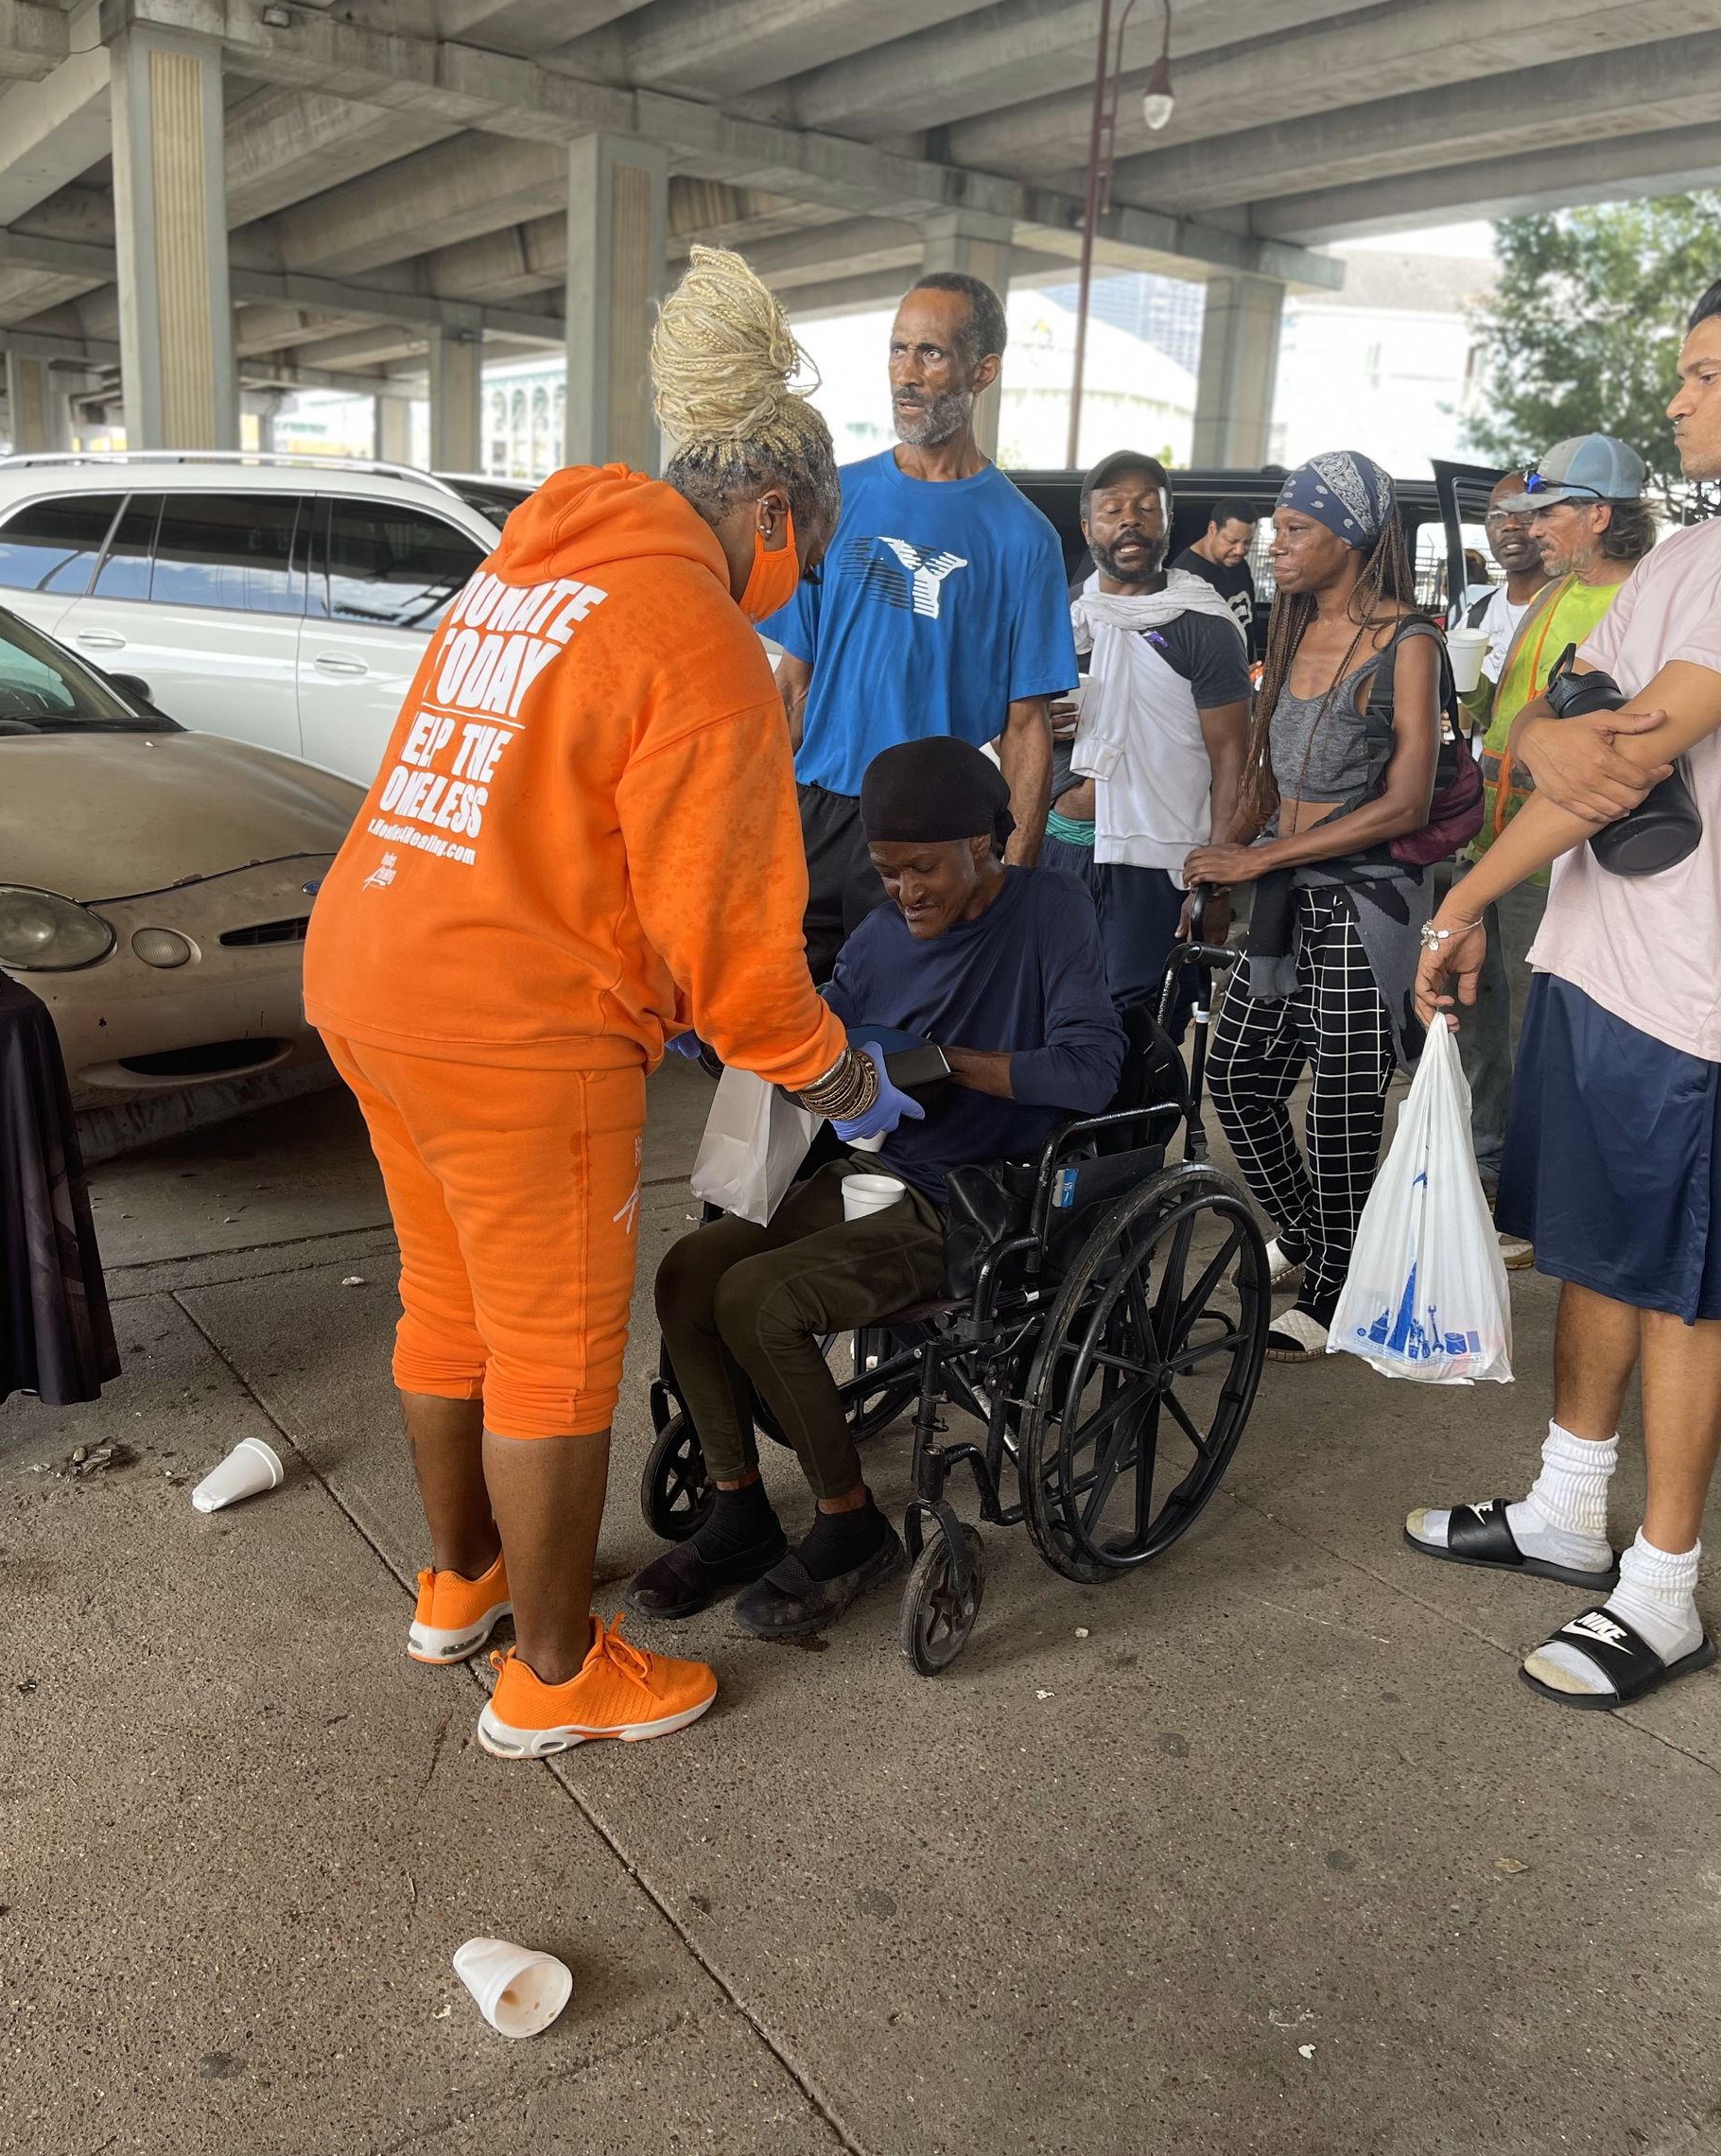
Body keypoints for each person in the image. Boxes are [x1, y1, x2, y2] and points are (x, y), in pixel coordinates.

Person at [301, 248, 916, 1761]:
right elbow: (746, 971)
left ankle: (464, 1582)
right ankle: (558, 1673)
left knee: (447, 1308)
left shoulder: (523, 575)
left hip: (368, 973)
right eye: (807, 559)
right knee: (555, 1353)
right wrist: (847, 1086)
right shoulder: (695, 633)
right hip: (518, 1029)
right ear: (775, 518)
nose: (796, 589)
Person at [1404, 283, 1721, 1713]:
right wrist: (1545, 726)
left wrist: (1466, 898)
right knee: (1594, 1255)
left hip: (1691, 998)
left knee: (1680, 1293)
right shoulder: (1682, 561)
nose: (1678, 403)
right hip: (1602, 961)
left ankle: (1662, 1589)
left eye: (1705, 376)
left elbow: (1620, 759)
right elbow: (1557, 726)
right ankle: (1565, 1507)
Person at [630, 738, 1126, 1639]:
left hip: (980, 1202)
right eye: (889, 872)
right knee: (688, 1272)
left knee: (759, 1299)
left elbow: (1092, 1071)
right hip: (880, 1173)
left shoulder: (1049, 910)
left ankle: (849, 1524)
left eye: (924, 868)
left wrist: (945, 1064)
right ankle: (740, 1509)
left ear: (984, 841)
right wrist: (719, 1035)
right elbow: (819, 1034)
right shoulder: (879, 935)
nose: (908, 892)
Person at [1185, 452, 1447, 1361]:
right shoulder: (1292, 627)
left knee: (1340, 1102)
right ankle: (1319, 1239)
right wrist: (1221, 863)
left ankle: (1337, 1289)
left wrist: (1262, 855)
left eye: (1297, 530)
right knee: (1239, 1078)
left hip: (1365, 901)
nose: (1276, 544)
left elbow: (1406, 801)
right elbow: (1264, 775)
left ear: (1354, 536)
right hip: (1282, 894)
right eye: (1276, 529)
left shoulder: (1408, 641)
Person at [768, 271, 1077, 979]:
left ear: (983, 370)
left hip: (930, 840)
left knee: (907, 1053)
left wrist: (1016, 881)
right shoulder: (836, 497)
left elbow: (1025, 728)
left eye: (931, 354)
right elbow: (793, 685)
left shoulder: (1022, 537)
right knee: (781, 1045)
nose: (905, 374)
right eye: (897, 350)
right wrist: (749, 818)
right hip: (813, 817)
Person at [1453, 442, 1652, 1229]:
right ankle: (1488, 1171)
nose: (1529, 528)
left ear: (1600, 515)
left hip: (1565, 864)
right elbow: (1501, 708)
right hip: (1493, 844)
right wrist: (1468, 691)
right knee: (1482, 1027)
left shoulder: (1638, 599)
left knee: (1543, 1037)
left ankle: (1536, 1203)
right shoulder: (1554, 594)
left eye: (1548, 513)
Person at [1039, 451, 1251, 1016]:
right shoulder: (1069, 617)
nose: (1128, 521)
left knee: (1139, 1021)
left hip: (1155, 865)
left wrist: (1215, 882)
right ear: (1088, 528)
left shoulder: (1202, 625)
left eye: (1144, 508)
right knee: (1054, 1008)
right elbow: (1015, 725)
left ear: (1167, 521)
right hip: (1063, 850)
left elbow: (1233, 758)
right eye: (1112, 510)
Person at [1174, 496, 1261, 639]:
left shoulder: (1239, 565)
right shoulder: (1185, 578)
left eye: (1247, 542)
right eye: (1232, 541)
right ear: (1212, 529)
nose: (1240, 550)